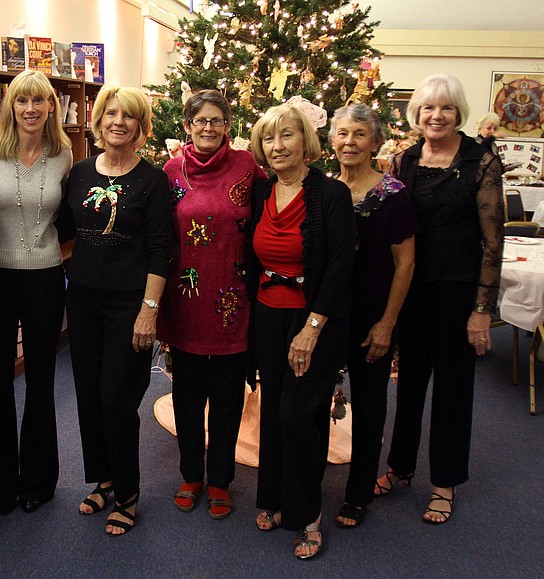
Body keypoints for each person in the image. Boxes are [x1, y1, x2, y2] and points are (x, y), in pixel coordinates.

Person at [375, 74, 504, 524]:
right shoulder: (403, 160)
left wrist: (482, 310)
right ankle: (400, 467)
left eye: (446, 108)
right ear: (417, 114)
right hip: (409, 290)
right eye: (428, 108)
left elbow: (493, 241)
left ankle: (444, 482)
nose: (436, 116)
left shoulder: (480, 160)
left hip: (456, 292)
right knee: (408, 382)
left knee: (452, 389)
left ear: (458, 113)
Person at [61, 85, 174, 535]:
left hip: (130, 302)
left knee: (118, 398)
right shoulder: (81, 172)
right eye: (110, 113)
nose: (117, 122)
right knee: (88, 395)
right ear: (98, 121)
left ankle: (127, 493)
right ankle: (103, 477)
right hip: (83, 298)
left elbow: (162, 249)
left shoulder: (153, 180)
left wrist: (149, 310)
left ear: (140, 126)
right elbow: (64, 227)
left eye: (127, 115)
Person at [247, 103, 355, 559]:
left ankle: (308, 514)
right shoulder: (263, 193)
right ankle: (273, 497)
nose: (277, 146)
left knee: (300, 415)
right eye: (269, 139)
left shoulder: (330, 194)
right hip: (267, 315)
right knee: (273, 409)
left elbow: (340, 266)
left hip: (312, 320)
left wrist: (311, 328)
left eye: (287, 136)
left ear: (305, 142)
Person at [158, 89, 266, 520]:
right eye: (199, 121)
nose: (208, 128)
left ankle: (220, 479)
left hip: (232, 302)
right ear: (187, 126)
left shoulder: (247, 167)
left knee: (226, 399)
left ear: (228, 126)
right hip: (185, 301)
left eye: (216, 121)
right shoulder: (169, 172)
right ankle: (191, 474)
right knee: (186, 396)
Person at [0, 70, 73, 516]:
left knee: (41, 382)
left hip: (46, 277)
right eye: (20, 101)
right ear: (9, 106)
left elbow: (66, 216)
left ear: (51, 106)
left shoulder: (64, 154)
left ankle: (38, 482)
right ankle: (2, 486)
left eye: (38, 101)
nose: (30, 109)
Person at [328, 103, 418, 528]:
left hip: (372, 319)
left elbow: (405, 264)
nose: (350, 141)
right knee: (310, 400)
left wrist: (387, 323)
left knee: (369, 405)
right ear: (331, 141)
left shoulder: (393, 195)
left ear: (376, 142)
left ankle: (358, 493)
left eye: (359, 134)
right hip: (327, 315)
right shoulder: (324, 191)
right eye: (342, 133)